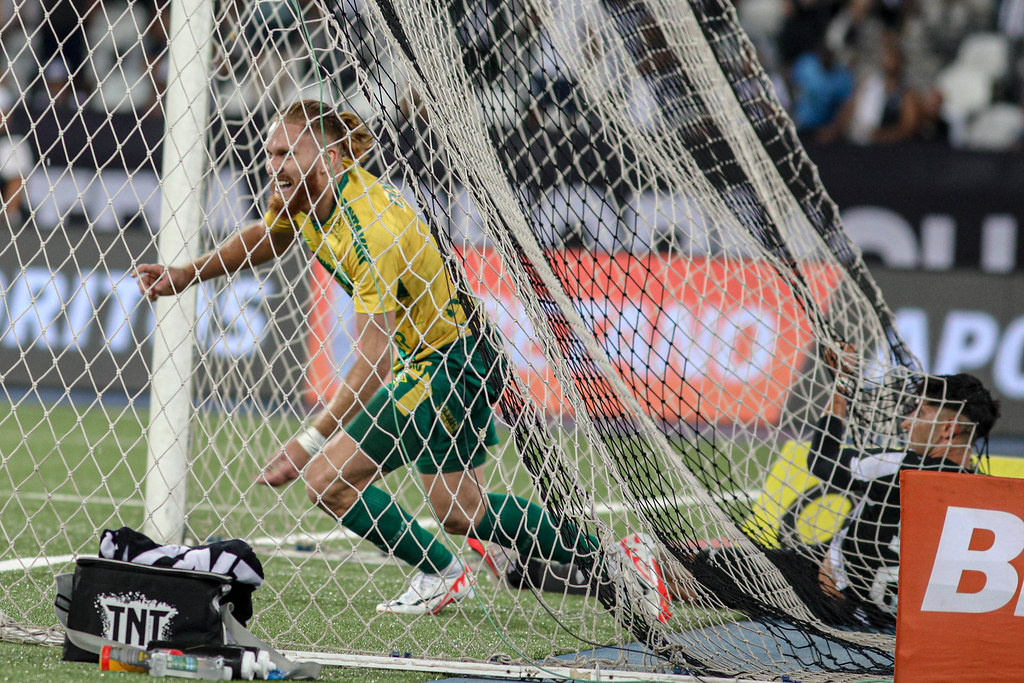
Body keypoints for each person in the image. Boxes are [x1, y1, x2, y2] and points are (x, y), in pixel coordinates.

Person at [133, 100, 598, 615]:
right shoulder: (304, 199)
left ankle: (443, 571)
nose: (273, 165)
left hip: (446, 361)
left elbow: (372, 365)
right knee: (461, 510)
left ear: (331, 158)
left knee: (325, 480)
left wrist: (305, 441)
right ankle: (609, 561)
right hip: (447, 354)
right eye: (270, 153)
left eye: (286, 153)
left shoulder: (370, 228)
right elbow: (270, 236)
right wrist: (186, 274)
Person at [509, 347, 1002, 631]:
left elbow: (824, 461)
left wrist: (841, 392)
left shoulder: (905, 467)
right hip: (874, 616)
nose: (907, 417)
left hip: (835, 597)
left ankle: (553, 561)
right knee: (704, 570)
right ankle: (547, 572)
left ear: (950, 429)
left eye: (921, 410)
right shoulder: (987, 503)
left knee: (675, 564)